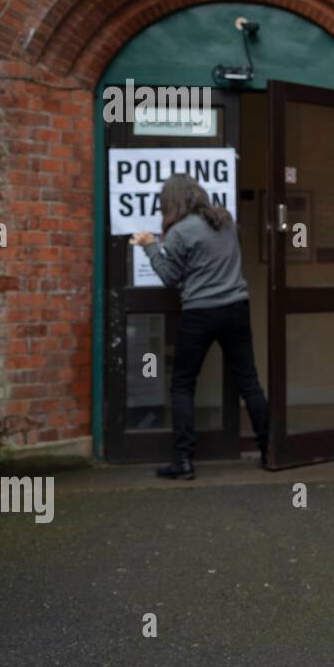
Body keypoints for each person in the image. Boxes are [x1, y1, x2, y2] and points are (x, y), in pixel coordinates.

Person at [131, 174, 269, 479]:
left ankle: (183, 462)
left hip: (200, 313)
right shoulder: (226, 221)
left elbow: (170, 277)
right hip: (236, 308)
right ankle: (269, 450)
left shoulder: (180, 232)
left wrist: (150, 246)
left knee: (182, 385)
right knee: (249, 381)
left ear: (173, 201)